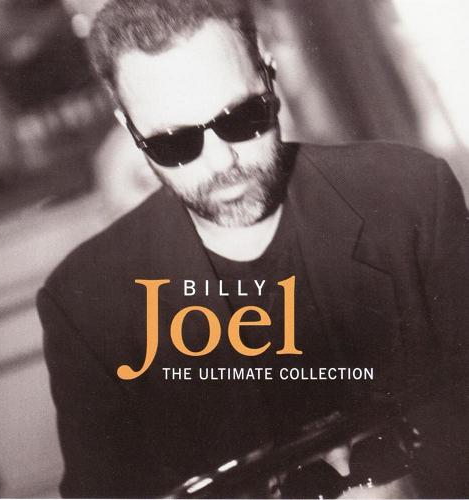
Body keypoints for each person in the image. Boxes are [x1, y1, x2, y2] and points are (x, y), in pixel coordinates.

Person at [37, 0, 469, 497]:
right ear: (130, 128)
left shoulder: (411, 196)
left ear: (268, 71)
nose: (222, 163)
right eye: (175, 144)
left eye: (241, 118)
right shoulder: (85, 306)